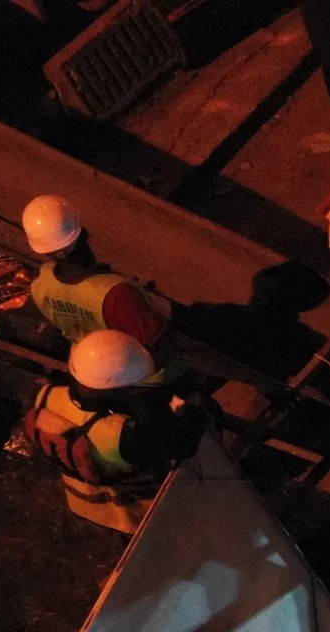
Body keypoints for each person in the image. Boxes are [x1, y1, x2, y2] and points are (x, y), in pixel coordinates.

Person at [22, 330, 209, 533]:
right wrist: (194, 404)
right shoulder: (123, 436)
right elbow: (185, 444)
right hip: (134, 514)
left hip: (85, 503)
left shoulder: (45, 395)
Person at [21, 195, 169, 348]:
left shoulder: (40, 287)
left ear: (44, 251)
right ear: (83, 232)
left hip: (85, 358)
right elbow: (157, 344)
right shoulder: (119, 294)